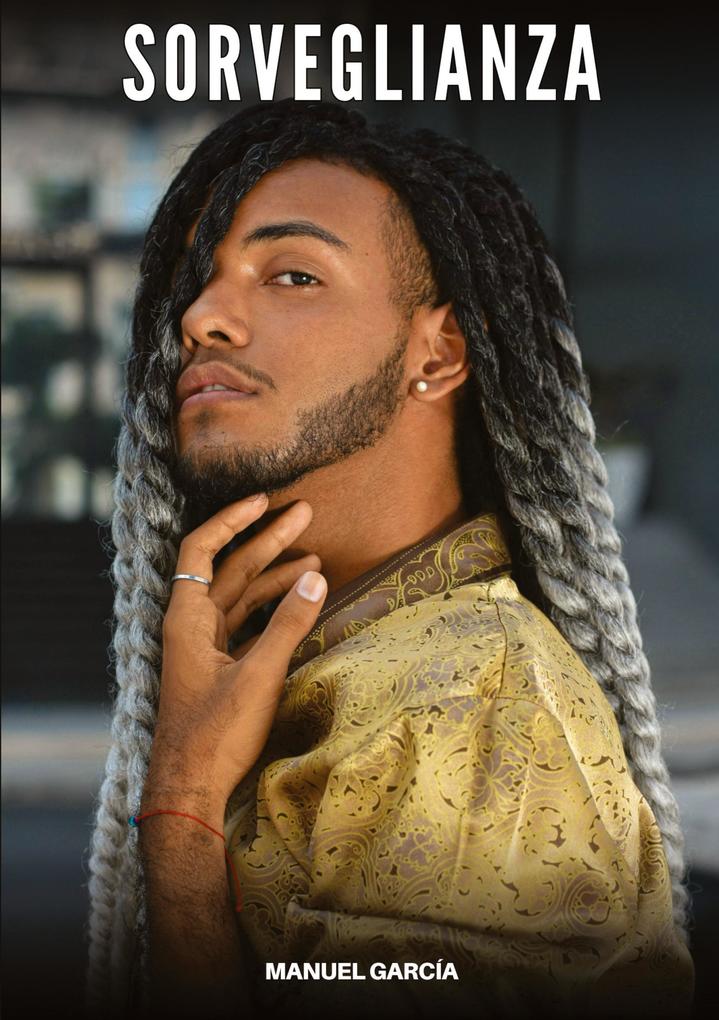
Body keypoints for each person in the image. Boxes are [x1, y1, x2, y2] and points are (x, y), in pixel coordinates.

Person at [85, 100, 694, 1019]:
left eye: (291, 275)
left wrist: (182, 807)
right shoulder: (319, 655)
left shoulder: (473, 700)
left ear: (437, 354)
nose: (202, 318)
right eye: (195, 284)